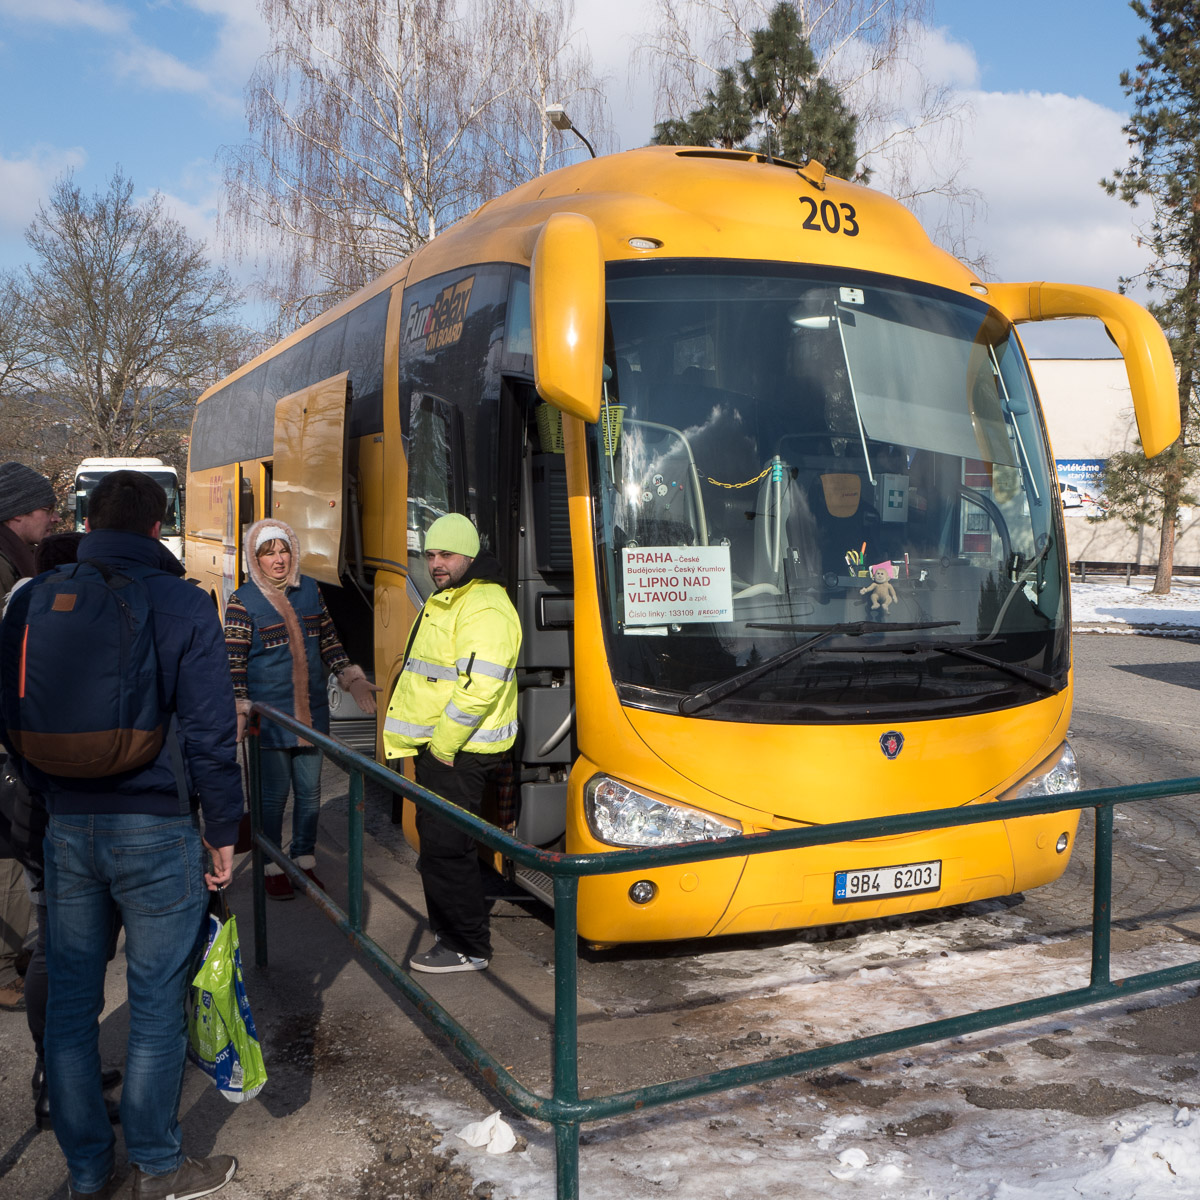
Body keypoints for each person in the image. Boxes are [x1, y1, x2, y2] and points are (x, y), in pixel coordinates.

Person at [0, 469, 242, 1200]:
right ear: (157, 523)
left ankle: (86, 1173)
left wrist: (49, 792)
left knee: (73, 1006)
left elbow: (9, 723)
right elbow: (208, 729)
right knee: (155, 1003)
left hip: (66, 825)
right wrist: (223, 829)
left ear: (89, 517)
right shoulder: (180, 601)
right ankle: (160, 1167)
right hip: (156, 823)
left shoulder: (32, 598)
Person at [0, 531, 124, 1130]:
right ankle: (56, 1078)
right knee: (66, 945)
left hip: (30, 801)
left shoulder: (23, 611)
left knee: (66, 941)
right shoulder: (39, 614)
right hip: (47, 803)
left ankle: (65, 1067)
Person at [382, 513, 521, 974]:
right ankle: (453, 936)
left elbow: (479, 687)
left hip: (459, 751)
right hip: (445, 748)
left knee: (447, 847)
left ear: (469, 556)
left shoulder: (483, 605)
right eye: (431, 554)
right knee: (441, 846)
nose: (436, 563)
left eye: (446, 555)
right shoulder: (454, 597)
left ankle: (467, 947)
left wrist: (441, 746)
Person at [223, 518, 379, 899]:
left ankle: (304, 860)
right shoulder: (242, 601)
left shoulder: (309, 590)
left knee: (310, 794)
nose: (278, 559)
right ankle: (272, 865)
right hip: (270, 719)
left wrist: (351, 677)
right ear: (255, 559)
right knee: (274, 797)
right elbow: (234, 663)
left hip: (310, 715)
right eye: (268, 553)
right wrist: (241, 708)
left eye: (283, 550)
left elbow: (329, 641)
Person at [0, 461, 56, 1013]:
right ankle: (8, 967)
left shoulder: (14, 559)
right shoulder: (6, 568)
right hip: (5, 740)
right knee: (12, 845)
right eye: (45, 508)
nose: (53, 518)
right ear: (18, 513)